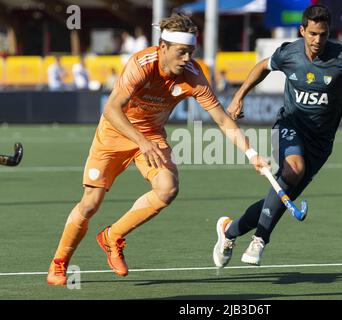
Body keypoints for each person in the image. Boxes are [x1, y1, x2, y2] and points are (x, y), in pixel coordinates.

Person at [46, 13, 269, 285]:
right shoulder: (142, 64)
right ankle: (59, 263)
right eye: (181, 52)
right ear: (163, 48)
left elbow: (222, 119)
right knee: (91, 204)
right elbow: (112, 108)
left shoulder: (194, 75)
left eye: (191, 52)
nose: (187, 58)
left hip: (151, 134)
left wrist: (251, 154)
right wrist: (140, 141)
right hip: (115, 132)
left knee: (167, 188)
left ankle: (112, 236)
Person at [213, 4, 342, 268]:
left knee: (282, 195)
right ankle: (260, 240)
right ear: (302, 30)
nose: (317, 40)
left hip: (321, 144)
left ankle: (229, 231)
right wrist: (239, 96)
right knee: (293, 170)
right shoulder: (289, 53)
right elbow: (261, 67)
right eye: (312, 34)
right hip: (289, 125)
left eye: (323, 34)